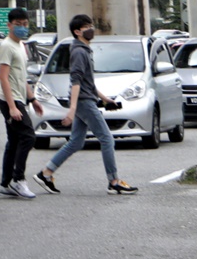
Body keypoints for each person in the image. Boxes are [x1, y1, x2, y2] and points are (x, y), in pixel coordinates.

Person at [36, 13, 139, 195]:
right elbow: (75, 81)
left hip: (85, 99)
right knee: (107, 138)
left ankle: (46, 173)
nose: (91, 29)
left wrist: (106, 99)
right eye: (86, 27)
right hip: (83, 102)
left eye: (91, 25)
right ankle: (114, 181)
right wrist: (73, 109)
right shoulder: (78, 52)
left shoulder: (83, 50)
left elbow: (87, 82)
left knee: (76, 142)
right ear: (77, 32)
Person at [0, 8, 40, 199]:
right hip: (9, 100)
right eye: (18, 24)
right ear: (9, 25)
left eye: (25, 24)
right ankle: (18, 179)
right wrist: (12, 107)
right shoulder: (6, 46)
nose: (22, 27)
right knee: (28, 136)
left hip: (19, 98)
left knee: (14, 141)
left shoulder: (20, 45)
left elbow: (22, 77)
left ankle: (5, 183)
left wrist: (33, 99)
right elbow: (4, 78)